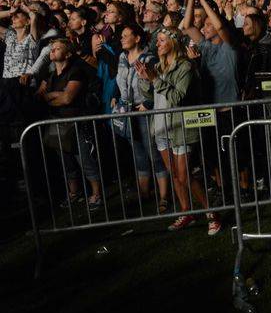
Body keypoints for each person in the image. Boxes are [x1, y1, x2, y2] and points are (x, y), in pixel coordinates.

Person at [135, 29, 221, 235]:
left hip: (180, 127)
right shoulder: (157, 65)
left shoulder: (185, 66)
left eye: (162, 40)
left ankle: (212, 213)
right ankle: (186, 211)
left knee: (184, 175)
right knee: (175, 174)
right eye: (158, 41)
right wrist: (144, 79)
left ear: (173, 43)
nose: (158, 44)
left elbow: (177, 98)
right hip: (161, 126)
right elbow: (148, 95)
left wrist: (154, 79)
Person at [35, 38, 102, 210]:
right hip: (57, 122)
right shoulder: (50, 76)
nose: (53, 51)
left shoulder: (76, 72)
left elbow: (68, 98)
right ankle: (74, 193)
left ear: (67, 53)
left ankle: (96, 194)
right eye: (52, 48)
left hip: (76, 122)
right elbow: (42, 97)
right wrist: (55, 96)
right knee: (66, 162)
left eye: (58, 48)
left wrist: (51, 96)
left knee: (85, 159)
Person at [112, 23, 170, 212]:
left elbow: (157, 84)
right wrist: (115, 96)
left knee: (154, 153)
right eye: (121, 36)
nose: (122, 39)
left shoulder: (149, 59)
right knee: (138, 153)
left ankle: (164, 196)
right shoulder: (121, 57)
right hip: (127, 112)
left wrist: (149, 104)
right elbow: (119, 80)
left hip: (144, 112)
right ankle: (144, 193)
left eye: (126, 35)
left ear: (137, 38)